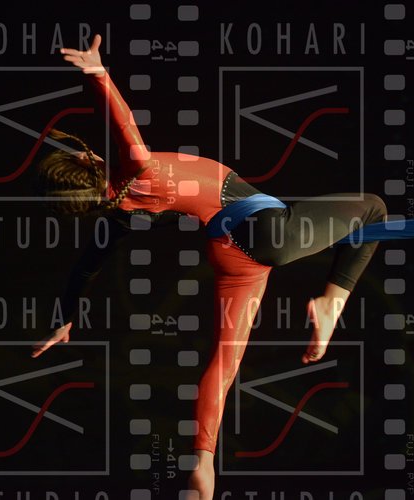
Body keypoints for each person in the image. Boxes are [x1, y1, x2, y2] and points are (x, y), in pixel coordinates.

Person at [30, 34, 387, 500]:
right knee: (373, 209)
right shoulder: (137, 168)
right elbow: (123, 123)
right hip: (263, 228)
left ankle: (203, 460)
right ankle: (330, 303)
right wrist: (99, 73)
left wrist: (64, 318)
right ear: (86, 159)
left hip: (231, 252)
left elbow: (85, 268)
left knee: (225, 358)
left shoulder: (117, 217)